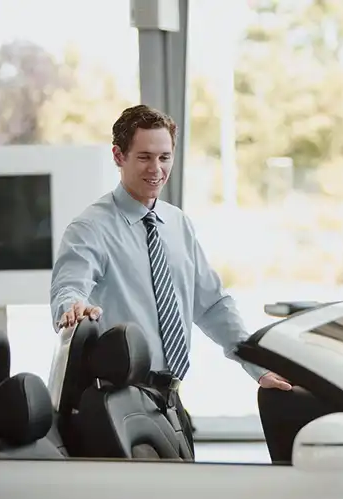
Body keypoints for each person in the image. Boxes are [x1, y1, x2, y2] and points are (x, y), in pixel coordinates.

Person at [50, 104, 292, 450]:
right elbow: (70, 285)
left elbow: (212, 306)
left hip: (169, 401)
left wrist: (259, 367)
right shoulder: (91, 228)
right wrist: (71, 306)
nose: (156, 169)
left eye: (165, 157)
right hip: (118, 405)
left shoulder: (177, 223)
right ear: (119, 156)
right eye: (145, 157)